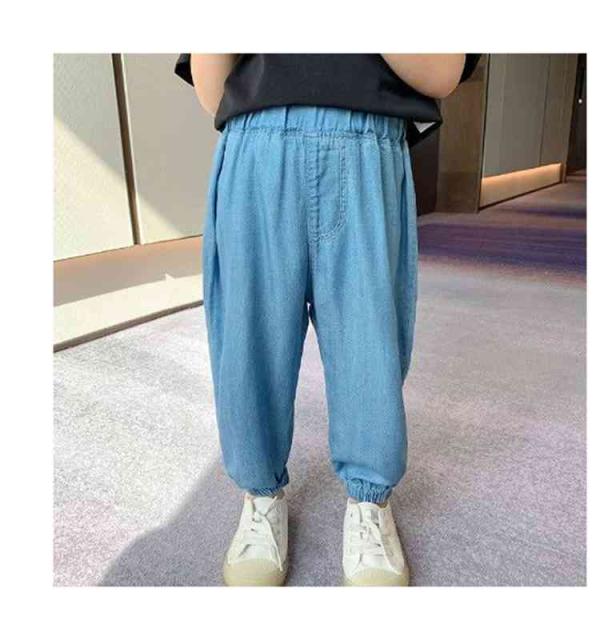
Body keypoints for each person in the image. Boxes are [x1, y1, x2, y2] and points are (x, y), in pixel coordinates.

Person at [175, 53, 480, 586]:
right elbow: (211, 91)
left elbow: (441, 73)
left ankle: (369, 503)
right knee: (249, 339)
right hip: (257, 143)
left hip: (367, 144)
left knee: (370, 341)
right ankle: (260, 496)